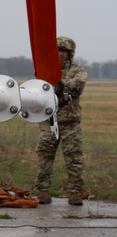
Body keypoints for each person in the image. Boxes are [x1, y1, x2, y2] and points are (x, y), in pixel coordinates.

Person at [35, 36, 87, 205]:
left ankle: (75, 193)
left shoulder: (78, 71)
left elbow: (76, 87)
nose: (60, 54)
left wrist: (57, 81)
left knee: (74, 159)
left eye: (64, 51)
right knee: (44, 157)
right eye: (57, 50)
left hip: (70, 123)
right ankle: (43, 191)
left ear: (70, 53)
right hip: (49, 121)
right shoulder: (43, 71)